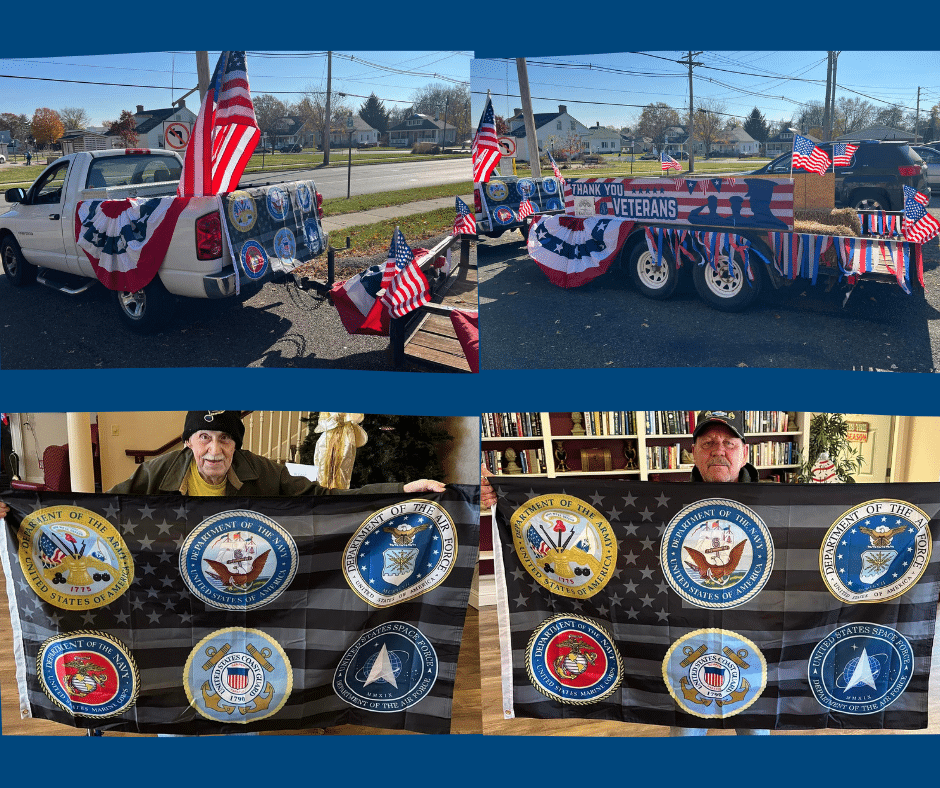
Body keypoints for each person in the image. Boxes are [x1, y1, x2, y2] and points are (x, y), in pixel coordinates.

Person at [479, 409, 768, 736]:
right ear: (693, 452)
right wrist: (502, 496)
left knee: (754, 731)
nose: (718, 450)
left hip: (752, 636)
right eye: (708, 443)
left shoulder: (779, 506)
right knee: (687, 731)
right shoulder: (665, 504)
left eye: (729, 443)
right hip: (689, 634)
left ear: (744, 453)